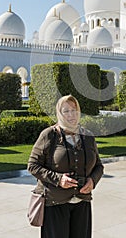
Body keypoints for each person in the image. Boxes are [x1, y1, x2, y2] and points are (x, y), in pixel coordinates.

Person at [28, 94, 104, 238]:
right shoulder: (49, 135)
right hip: (55, 203)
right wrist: (58, 179)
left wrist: (92, 181)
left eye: (74, 110)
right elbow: (32, 165)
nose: (71, 115)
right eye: (66, 111)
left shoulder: (87, 136)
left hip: (82, 201)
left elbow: (99, 166)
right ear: (59, 113)